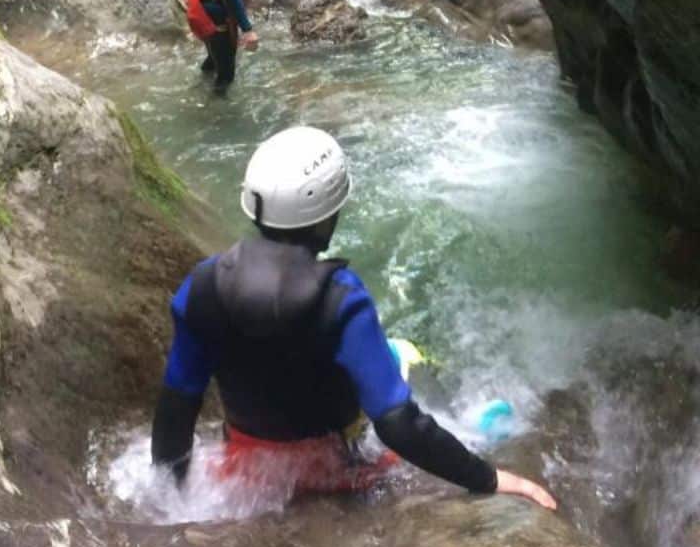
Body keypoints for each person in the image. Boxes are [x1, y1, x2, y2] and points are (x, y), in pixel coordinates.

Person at [151, 126, 557, 509]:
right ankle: (469, 424)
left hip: (248, 467)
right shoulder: (341, 298)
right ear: (329, 216)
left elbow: (177, 405)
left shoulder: (201, 286)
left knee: (384, 357)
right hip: (339, 469)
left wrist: (172, 499)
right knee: (401, 358)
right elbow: (398, 424)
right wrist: (486, 478)